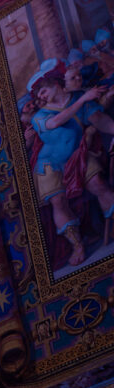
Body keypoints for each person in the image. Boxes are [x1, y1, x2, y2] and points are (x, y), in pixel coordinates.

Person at [29, 59, 114, 264]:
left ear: (55, 83)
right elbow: (56, 122)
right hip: (49, 165)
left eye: (43, 91)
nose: (42, 96)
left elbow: (99, 120)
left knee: (98, 184)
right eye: (39, 94)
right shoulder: (40, 116)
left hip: (78, 155)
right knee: (58, 202)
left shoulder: (80, 99)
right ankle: (77, 245)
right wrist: (83, 99)